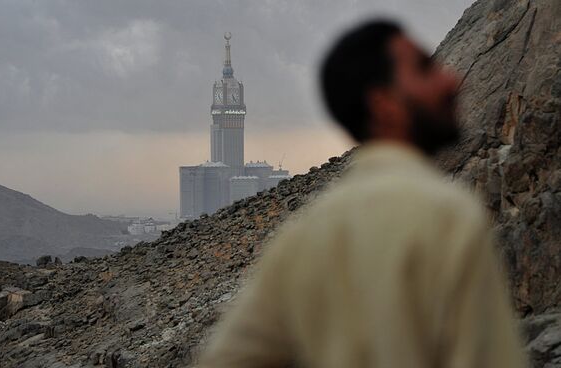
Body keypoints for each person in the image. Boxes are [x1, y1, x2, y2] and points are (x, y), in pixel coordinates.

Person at [198, 20, 526, 368]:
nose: (451, 80)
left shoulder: (301, 237)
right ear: (384, 104)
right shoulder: (447, 215)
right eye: (425, 69)